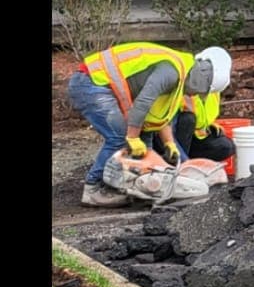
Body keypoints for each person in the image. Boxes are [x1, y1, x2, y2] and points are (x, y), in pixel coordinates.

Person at [65, 43, 234, 207]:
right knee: (119, 137)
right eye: (200, 91)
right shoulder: (172, 71)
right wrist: (132, 137)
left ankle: (139, 187)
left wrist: (169, 144)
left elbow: (157, 117)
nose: (197, 95)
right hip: (90, 81)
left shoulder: (180, 78)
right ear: (201, 79)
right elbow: (144, 102)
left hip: (104, 85)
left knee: (146, 142)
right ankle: (92, 188)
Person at [146, 44, 235, 166]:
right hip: (167, 137)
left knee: (225, 146)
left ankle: (190, 163)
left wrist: (209, 126)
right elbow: (164, 123)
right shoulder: (182, 82)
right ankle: (177, 163)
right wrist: (182, 161)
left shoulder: (213, 90)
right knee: (188, 119)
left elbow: (203, 114)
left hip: (193, 139)